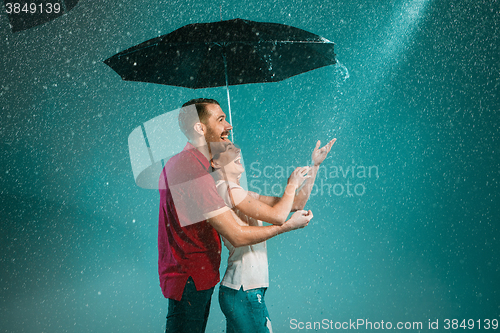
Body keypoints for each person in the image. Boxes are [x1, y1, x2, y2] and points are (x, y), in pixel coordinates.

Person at [158, 98, 314, 333]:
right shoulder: (190, 169)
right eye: (220, 120)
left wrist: (315, 166)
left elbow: (290, 204)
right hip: (191, 278)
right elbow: (237, 235)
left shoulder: (198, 167)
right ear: (200, 128)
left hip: (200, 277)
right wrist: (287, 226)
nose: (229, 125)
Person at [210, 138, 335, 333]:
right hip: (244, 290)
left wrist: (315, 166)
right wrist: (291, 186)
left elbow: (296, 204)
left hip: (243, 290)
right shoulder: (226, 188)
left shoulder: (241, 193)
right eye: (228, 148)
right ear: (215, 163)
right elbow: (279, 216)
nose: (237, 151)